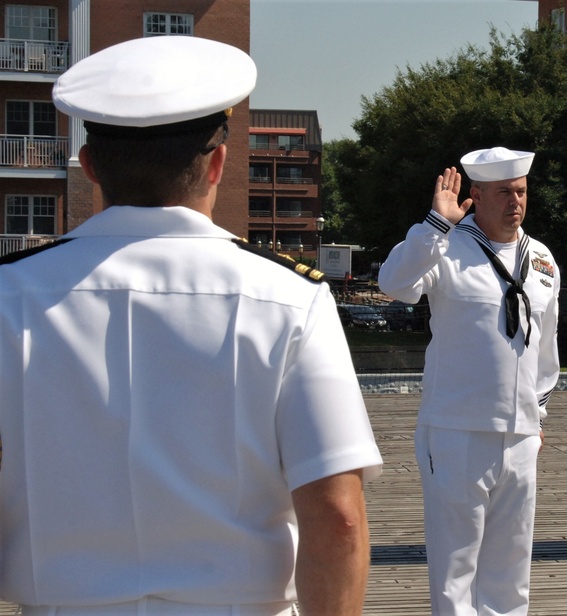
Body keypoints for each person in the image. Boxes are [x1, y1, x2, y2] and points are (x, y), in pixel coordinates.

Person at [0, 36, 383, 616]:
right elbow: (337, 516)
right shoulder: (288, 295)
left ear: (90, 166)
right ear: (218, 165)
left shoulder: (9, 294)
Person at [377, 147, 560, 615]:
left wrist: (537, 415)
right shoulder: (446, 247)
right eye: (503, 193)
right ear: (476, 196)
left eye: (520, 192)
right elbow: (394, 284)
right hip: (456, 431)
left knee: (511, 572)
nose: (515, 202)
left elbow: (545, 348)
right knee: (456, 572)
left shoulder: (540, 259)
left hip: (519, 436)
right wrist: (435, 224)